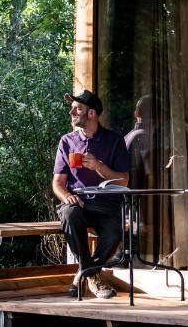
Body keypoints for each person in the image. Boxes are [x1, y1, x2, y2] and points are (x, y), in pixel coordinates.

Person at [52, 89, 130, 299]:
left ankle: (84, 273)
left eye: (77, 108)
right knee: (69, 214)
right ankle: (93, 276)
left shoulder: (114, 141)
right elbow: (58, 183)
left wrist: (99, 166)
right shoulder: (67, 142)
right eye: (72, 109)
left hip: (106, 205)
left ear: (92, 113)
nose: (72, 112)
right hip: (78, 203)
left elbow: (124, 180)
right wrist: (66, 196)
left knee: (115, 233)